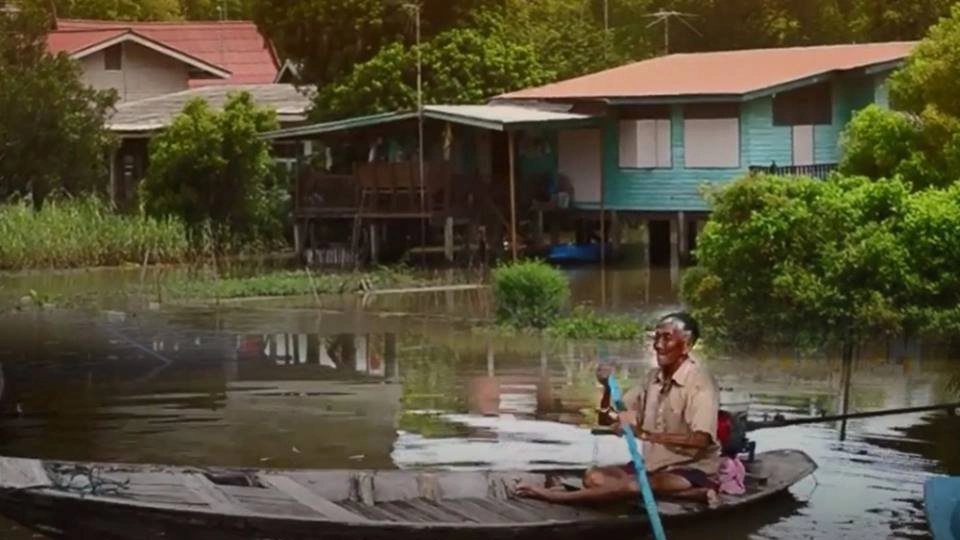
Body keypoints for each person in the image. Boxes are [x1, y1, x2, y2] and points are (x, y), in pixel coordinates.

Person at [516, 312, 721, 506]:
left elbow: (700, 440)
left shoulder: (700, 383)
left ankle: (551, 497)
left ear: (686, 345)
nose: (658, 345)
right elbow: (608, 419)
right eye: (656, 338)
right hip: (652, 468)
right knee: (593, 477)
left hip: (690, 471)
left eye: (667, 338)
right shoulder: (652, 379)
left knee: (633, 485)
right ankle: (692, 496)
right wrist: (606, 387)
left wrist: (646, 435)